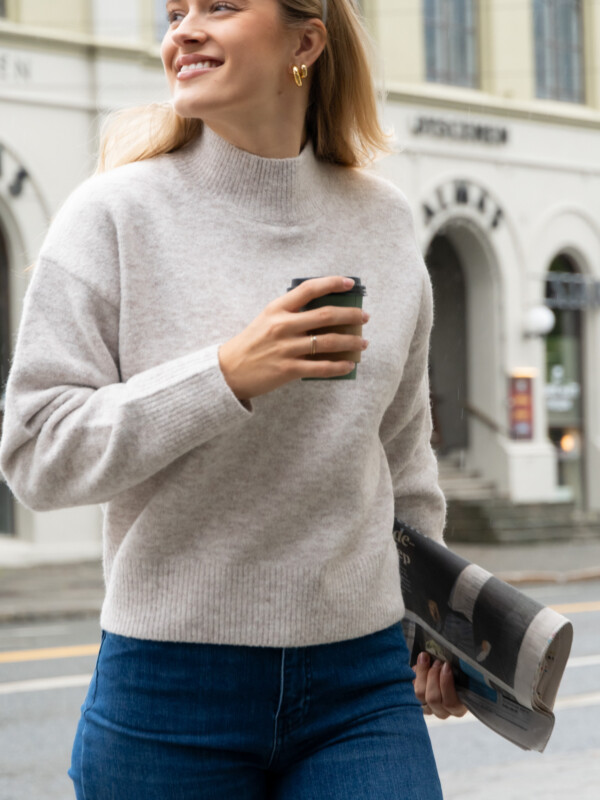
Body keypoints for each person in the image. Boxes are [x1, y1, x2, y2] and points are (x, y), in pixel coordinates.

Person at [0, 0, 466, 797]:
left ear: (306, 41)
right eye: (173, 11)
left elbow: (402, 460)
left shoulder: (385, 222)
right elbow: (36, 453)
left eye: (218, 6)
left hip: (362, 683)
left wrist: (438, 624)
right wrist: (224, 374)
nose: (181, 30)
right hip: (168, 688)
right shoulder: (110, 215)